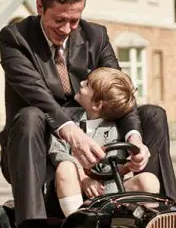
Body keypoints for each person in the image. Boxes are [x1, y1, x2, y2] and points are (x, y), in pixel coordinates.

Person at [0, 0, 176, 228]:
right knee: (29, 116)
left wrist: (135, 137)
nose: (68, 28)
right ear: (40, 7)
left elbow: (119, 89)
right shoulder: (15, 39)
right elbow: (38, 96)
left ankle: (165, 216)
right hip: (39, 146)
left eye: (75, 19)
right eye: (59, 20)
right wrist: (72, 135)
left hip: (100, 139)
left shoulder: (96, 36)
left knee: (153, 115)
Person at [49, 67, 160, 216]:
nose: (81, 82)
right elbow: (57, 151)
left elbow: (113, 168)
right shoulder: (66, 120)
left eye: (87, 84)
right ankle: (76, 223)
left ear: (97, 104)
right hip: (74, 190)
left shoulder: (116, 129)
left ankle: (143, 224)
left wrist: (128, 165)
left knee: (149, 180)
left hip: (110, 191)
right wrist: (83, 178)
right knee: (65, 167)